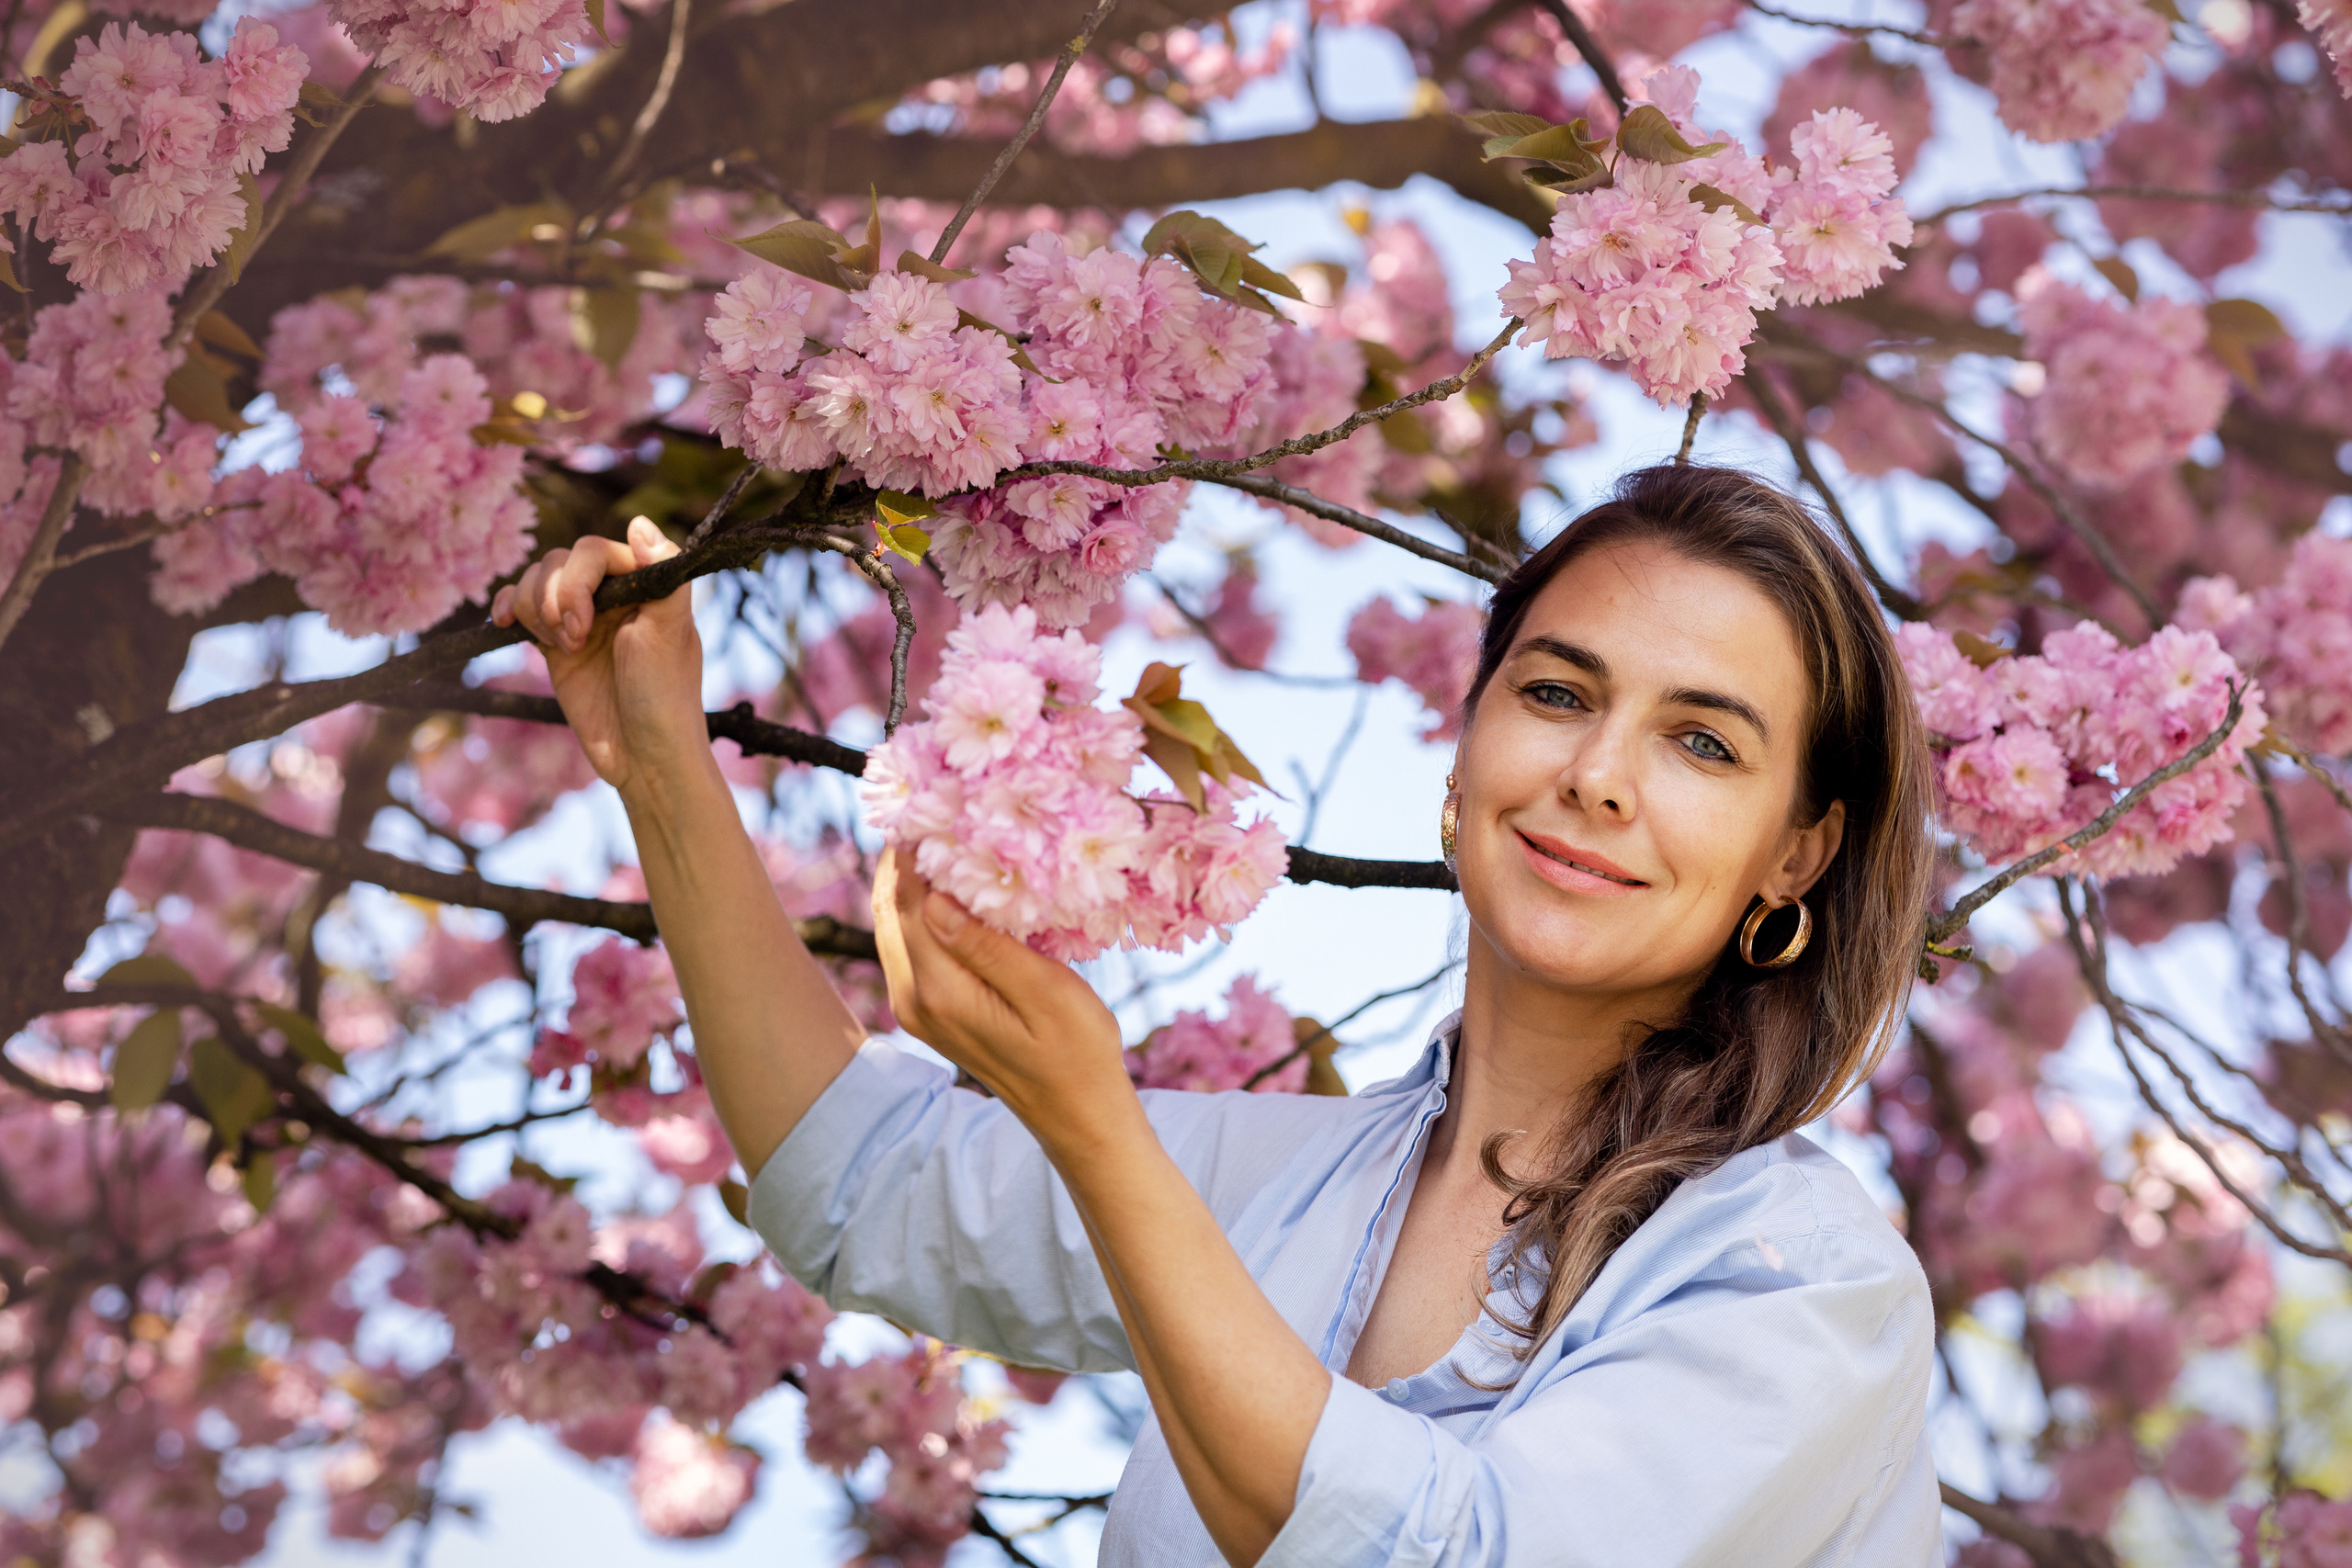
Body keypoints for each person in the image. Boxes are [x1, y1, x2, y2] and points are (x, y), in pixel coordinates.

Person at [492, 462, 1943, 1568]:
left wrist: (1100, 1135)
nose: (1601, 775)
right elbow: (863, 1182)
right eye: (1558, 692)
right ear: (1466, 752)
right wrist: (662, 759)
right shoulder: (1293, 1184)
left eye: (1701, 740)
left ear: (1797, 852)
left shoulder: (1799, 1278)